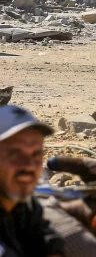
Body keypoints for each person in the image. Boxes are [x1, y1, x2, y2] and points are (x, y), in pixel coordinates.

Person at [0, 105, 64, 257]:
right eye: (15, 153)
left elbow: (48, 243)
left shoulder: (24, 206)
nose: (29, 165)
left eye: (36, 153)